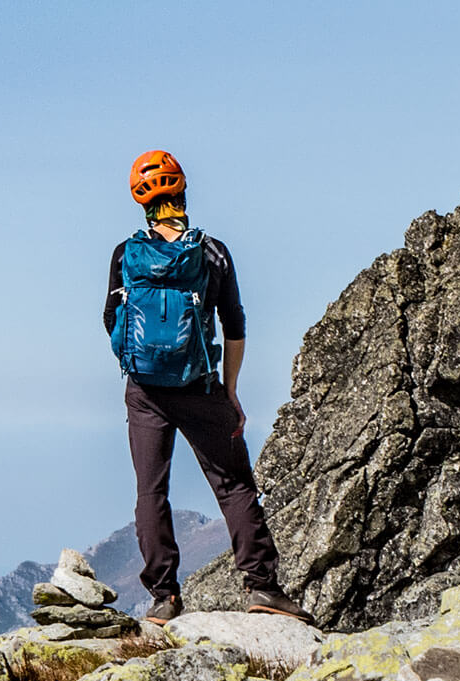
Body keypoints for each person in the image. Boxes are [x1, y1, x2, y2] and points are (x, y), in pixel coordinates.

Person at [104, 150, 314, 625]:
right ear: (182, 192)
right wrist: (230, 389)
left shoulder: (126, 254)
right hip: (200, 387)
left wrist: (140, 365)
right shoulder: (212, 252)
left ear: (141, 203)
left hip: (145, 392)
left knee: (151, 492)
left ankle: (163, 598)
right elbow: (234, 325)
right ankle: (261, 587)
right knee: (234, 486)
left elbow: (110, 318)